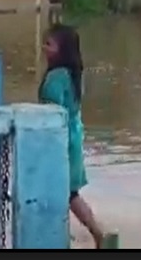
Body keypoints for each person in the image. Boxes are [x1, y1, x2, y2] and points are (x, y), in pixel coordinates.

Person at [39, 24, 105, 248]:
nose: (44, 48)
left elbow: (50, 114)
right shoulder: (74, 75)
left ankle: (89, 234)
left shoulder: (55, 78)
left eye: (49, 44)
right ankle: (95, 234)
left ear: (62, 50)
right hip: (74, 137)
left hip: (61, 142)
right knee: (69, 193)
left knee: (62, 194)